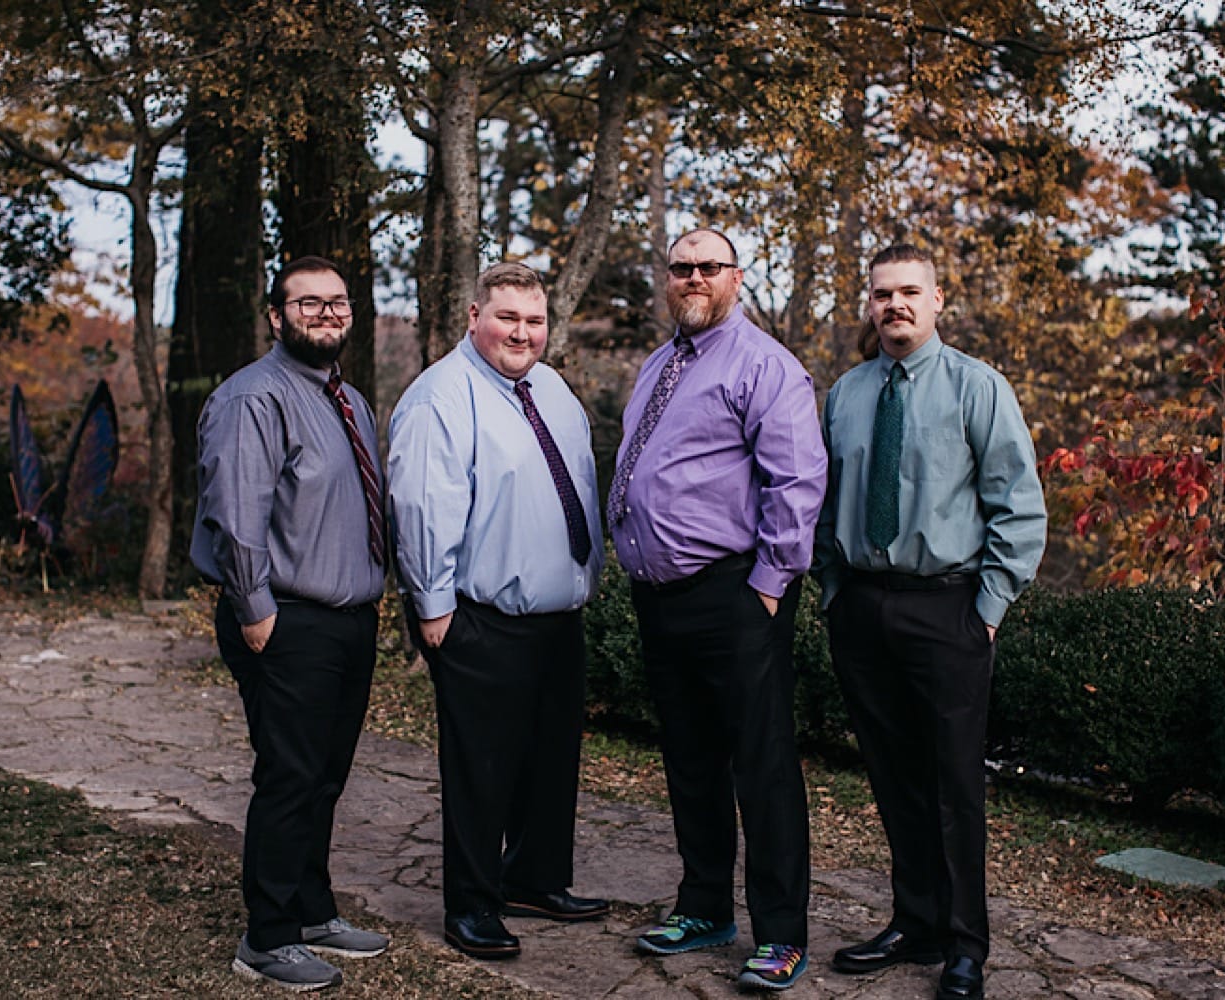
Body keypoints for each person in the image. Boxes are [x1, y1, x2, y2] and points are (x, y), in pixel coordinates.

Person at [813, 245, 1046, 1000]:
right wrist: (833, 592)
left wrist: (987, 609)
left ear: (938, 300)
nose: (895, 305)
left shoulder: (978, 389)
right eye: (882, 294)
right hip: (863, 609)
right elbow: (821, 502)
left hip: (948, 608)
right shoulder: (846, 394)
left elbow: (1020, 508)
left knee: (953, 786)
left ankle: (966, 946)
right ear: (869, 305)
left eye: (909, 292)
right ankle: (914, 922)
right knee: (892, 778)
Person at [610, 228, 827, 992]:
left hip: (736, 594)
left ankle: (781, 933)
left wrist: (768, 586)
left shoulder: (764, 365)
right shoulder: (660, 363)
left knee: (760, 765)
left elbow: (797, 481)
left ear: (735, 277)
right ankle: (704, 906)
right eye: (681, 267)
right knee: (690, 760)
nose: (694, 277)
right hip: (661, 599)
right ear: (666, 279)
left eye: (709, 266)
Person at [388, 262, 608, 961]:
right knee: (482, 771)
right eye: (507, 317)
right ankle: (473, 905)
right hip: (480, 618)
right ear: (474, 316)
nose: (522, 332)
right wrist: (434, 610)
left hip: (556, 618)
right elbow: (423, 508)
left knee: (550, 762)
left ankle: (536, 879)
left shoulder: (551, 390)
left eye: (534, 321)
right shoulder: (440, 397)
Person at [191, 255, 391, 991]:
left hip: (347, 621)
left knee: (325, 777)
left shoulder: (350, 401)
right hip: (286, 619)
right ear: (276, 316)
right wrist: (257, 613)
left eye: (336, 303)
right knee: (290, 776)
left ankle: (311, 911)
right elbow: (236, 516)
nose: (326, 314)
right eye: (307, 304)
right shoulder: (254, 397)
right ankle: (267, 937)